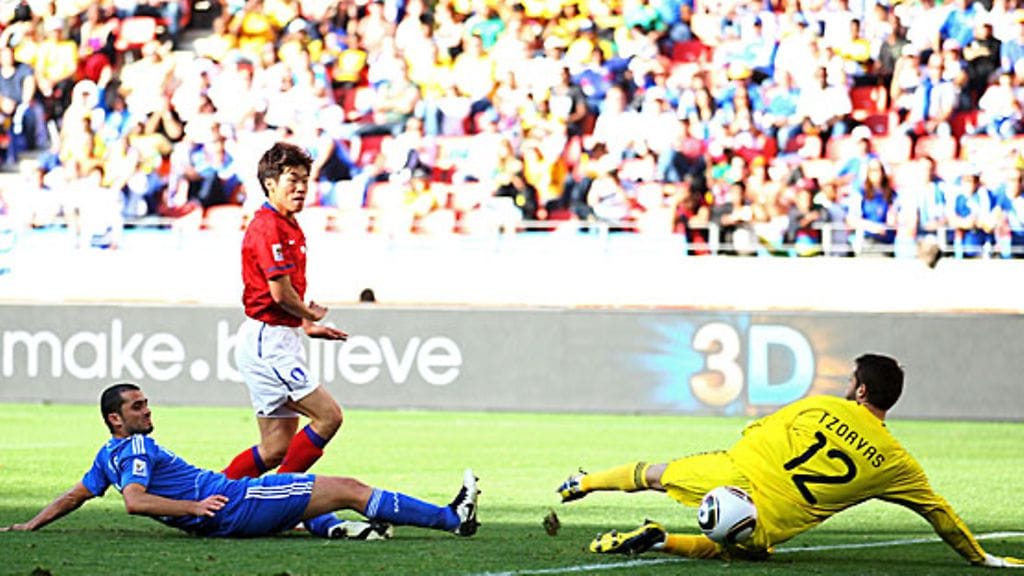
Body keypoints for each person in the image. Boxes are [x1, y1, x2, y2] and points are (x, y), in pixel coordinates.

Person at [556, 353, 1023, 568]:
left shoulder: (820, 404)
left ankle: (583, 482)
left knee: (655, 473)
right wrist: (981, 558)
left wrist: (738, 464)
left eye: (851, 379)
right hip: (769, 515)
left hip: (731, 472)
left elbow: (760, 431)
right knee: (746, 549)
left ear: (860, 390)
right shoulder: (897, 464)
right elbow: (940, 515)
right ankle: (660, 540)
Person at [0, 383, 479, 539]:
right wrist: (194, 508)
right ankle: (452, 518)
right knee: (349, 487)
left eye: (146, 403)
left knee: (308, 492)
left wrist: (30, 525)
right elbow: (134, 502)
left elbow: (73, 496)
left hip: (226, 513)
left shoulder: (108, 454)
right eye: (138, 407)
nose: (149, 411)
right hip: (236, 503)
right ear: (116, 418)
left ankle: (332, 527)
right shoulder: (138, 449)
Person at [222, 142, 347, 480]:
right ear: (270, 184)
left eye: (306, 179)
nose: (302, 187)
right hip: (269, 340)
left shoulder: (288, 224)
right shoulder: (268, 227)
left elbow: (288, 290)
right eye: (293, 179)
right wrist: (308, 312)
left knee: (276, 447)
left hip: (278, 336)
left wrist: (305, 323)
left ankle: (209, 497)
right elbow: (280, 294)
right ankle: (280, 499)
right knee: (329, 416)